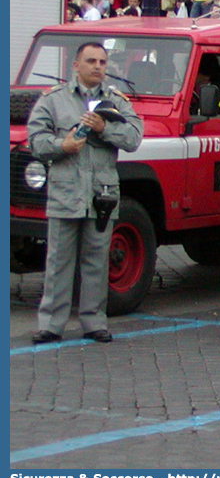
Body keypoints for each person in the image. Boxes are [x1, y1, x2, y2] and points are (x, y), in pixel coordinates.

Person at [27, 42, 143, 344]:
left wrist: (104, 127)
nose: (98, 66)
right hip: (66, 192)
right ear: (75, 65)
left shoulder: (115, 101)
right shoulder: (53, 101)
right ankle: (52, 324)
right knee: (58, 262)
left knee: (96, 259)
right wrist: (61, 146)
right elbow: (36, 141)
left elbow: (133, 138)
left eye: (103, 62)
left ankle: (94, 321)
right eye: (91, 61)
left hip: (101, 193)